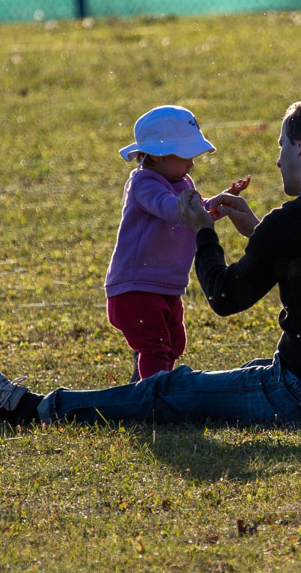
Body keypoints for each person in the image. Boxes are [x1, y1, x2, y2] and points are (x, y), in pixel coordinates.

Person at [0, 96, 301, 426]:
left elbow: (225, 296)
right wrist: (260, 232)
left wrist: (204, 232)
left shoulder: (292, 219)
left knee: (169, 390)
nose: (279, 159)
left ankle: (31, 410)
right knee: (226, 375)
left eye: (282, 145)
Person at [102, 104, 246, 379]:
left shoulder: (183, 180)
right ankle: (154, 393)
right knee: (156, 348)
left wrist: (218, 203)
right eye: (185, 156)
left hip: (166, 285)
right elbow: (168, 207)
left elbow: (193, 212)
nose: (191, 163)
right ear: (158, 155)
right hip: (136, 287)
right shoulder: (144, 183)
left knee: (174, 343)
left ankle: (144, 386)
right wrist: (195, 208)